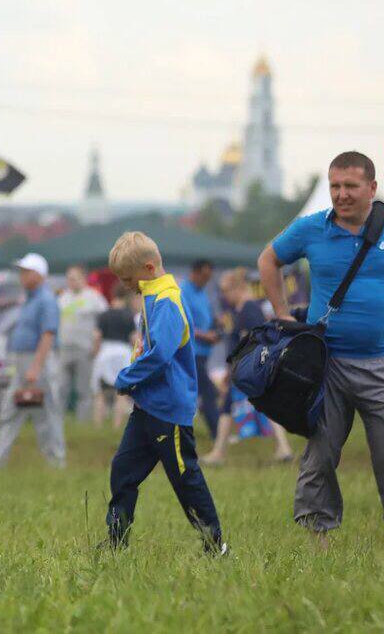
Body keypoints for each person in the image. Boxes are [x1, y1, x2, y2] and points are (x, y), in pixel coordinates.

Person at [258, 150, 384, 547]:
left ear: (372, 187)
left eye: (350, 186)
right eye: (335, 186)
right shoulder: (311, 229)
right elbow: (268, 260)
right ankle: (320, 539)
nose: (341, 194)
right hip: (326, 365)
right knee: (320, 456)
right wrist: (282, 314)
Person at [103, 232, 225, 554]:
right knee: (123, 472)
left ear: (147, 267)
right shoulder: (151, 293)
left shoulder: (167, 300)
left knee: (185, 479)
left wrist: (127, 378)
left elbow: (160, 354)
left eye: (128, 278)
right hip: (147, 407)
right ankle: (116, 542)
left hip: (168, 410)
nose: (126, 284)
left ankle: (215, 544)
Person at [201, 268, 294, 464]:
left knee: (241, 406)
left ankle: (219, 453)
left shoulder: (248, 308)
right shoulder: (242, 308)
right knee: (232, 406)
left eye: (226, 290)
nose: (224, 295)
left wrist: (241, 367)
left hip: (250, 368)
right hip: (244, 367)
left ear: (238, 287)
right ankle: (282, 448)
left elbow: (255, 340)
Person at [0, 253, 65, 468]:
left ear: (39, 274)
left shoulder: (46, 300)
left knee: (47, 413)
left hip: (38, 361)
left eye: (26, 271)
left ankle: (56, 460)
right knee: (9, 409)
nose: (22, 275)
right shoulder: (29, 299)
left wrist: (36, 367)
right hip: (23, 361)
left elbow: (48, 335)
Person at [56, 265, 108, 419]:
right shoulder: (62, 298)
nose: (71, 282)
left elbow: (104, 321)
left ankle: (82, 423)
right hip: (64, 348)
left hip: (85, 349)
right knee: (61, 387)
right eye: (69, 279)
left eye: (74, 278)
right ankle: (58, 422)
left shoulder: (94, 297)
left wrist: (97, 344)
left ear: (83, 279)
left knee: (83, 389)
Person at [179, 260, 221, 439]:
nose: (206, 280)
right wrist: (205, 336)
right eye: (204, 277)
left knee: (203, 392)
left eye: (209, 278)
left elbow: (208, 318)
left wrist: (217, 326)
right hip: (191, 352)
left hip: (203, 353)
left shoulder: (203, 293)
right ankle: (217, 433)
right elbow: (183, 323)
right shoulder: (183, 292)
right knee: (209, 392)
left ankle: (184, 428)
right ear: (194, 273)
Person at [91, 283, 136, 427]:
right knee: (121, 394)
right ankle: (117, 426)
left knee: (101, 392)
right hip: (123, 353)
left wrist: (95, 352)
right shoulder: (130, 316)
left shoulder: (104, 315)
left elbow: (97, 336)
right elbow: (134, 338)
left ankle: (98, 425)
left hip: (105, 352)